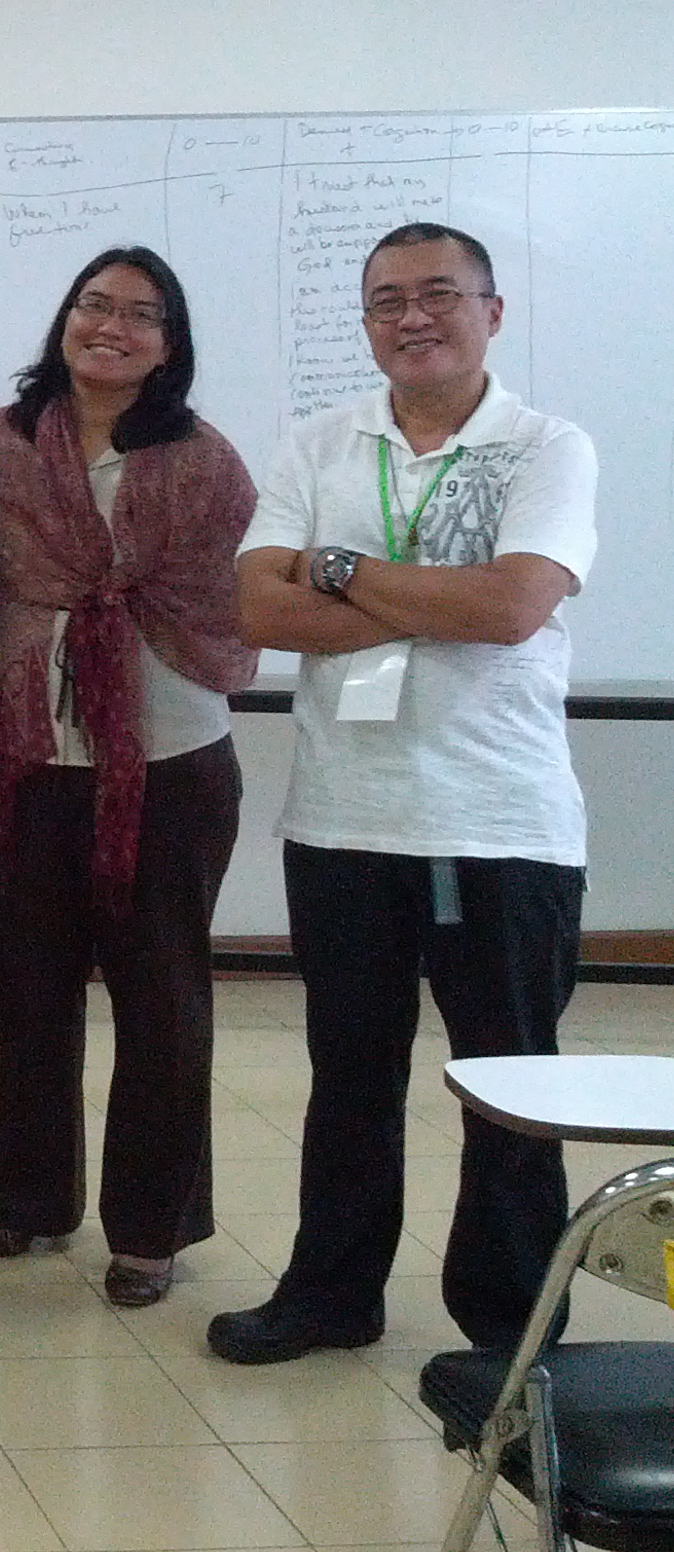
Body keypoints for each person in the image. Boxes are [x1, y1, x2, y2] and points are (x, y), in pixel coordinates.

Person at [209, 221, 597, 1365]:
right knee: (349, 1078)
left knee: (511, 1089)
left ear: (492, 312)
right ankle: (331, 1295)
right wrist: (434, 598)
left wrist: (340, 570)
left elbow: (511, 608)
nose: (412, 318)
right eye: (387, 301)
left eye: (438, 294)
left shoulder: (546, 447)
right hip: (344, 817)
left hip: (502, 820)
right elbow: (259, 610)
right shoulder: (318, 444)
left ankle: (512, 1327)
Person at [0, 247, 258, 1308]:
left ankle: (150, 1229)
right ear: (65, 319)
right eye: (94, 305)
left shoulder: (204, 463)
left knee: (162, 1002)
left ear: (169, 345)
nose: (111, 327)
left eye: (141, 314)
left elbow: (229, 602)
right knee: (28, 991)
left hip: (171, 764)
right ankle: (32, 1201)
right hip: (23, 760)